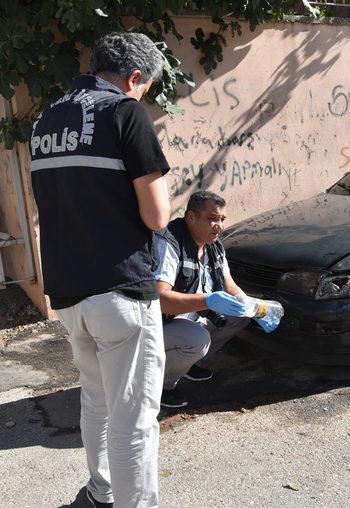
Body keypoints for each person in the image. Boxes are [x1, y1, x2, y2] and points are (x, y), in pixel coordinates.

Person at [30, 32, 171, 508]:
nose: (143, 95)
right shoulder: (126, 113)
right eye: (145, 86)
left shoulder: (45, 119)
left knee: (96, 400)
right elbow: (156, 216)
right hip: (121, 289)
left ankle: (101, 491)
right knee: (135, 418)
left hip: (69, 291)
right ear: (134, 77)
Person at [155, 190, 278, 409]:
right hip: (155, 323)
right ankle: (161, 387)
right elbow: (161, 299)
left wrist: (254, 307)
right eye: (212, 219)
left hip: (188, 314)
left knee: (240, 317)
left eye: (222, 219)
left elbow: (229, 285)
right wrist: (208, 301)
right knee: (198, 339)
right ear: (191, 217)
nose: (219, 226)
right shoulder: (170, 242)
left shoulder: (214, 245)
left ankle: (190, 363)